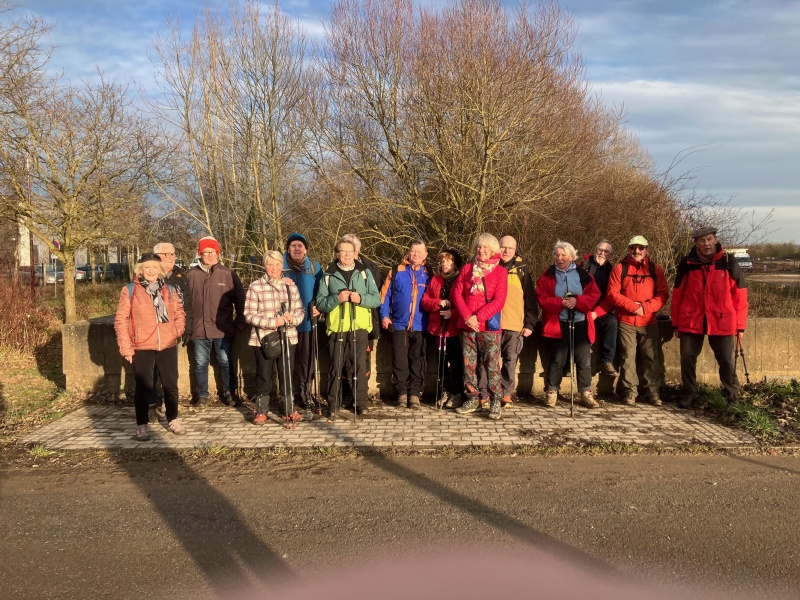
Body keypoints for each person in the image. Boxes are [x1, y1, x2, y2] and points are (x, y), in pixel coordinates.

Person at [671, 226, 748, 408]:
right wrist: (676, 324)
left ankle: (732, 394)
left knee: (726, 360)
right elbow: (677, 295)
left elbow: (740, 295)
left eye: (709, 239)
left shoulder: (729, 262)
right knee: (687, 358)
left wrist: (740, 326)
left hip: (723, 319)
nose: (706, 244)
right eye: (702, 240)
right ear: (696, 243)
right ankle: (689, 392)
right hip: (691, 319)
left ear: (715, 240)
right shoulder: (687, 263)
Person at [114, 253, 186, 441]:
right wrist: (126, 347)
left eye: (155, 267)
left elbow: (179, 312)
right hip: (142, 345)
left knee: (171, 385)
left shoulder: (170, 289)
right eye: (147, 267)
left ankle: (173, 418)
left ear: (160, 270)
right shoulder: (130, 290)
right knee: (144, 387)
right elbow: (121, 320)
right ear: (140, 270)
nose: (151, 271)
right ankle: (142, 424)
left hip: (167, 344)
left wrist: (177, 330)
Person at [316, 237, 382, 419]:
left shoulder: (365, 273)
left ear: (355, 253)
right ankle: (334, 403)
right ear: (337, 254)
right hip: (337, 327)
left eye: (349, 251)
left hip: (359, 327)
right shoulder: (328, 274)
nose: (346, 254)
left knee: (359, 366)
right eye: (342, 251)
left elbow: (376, 299)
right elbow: (321, 303)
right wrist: (337, 299)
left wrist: (360, 299)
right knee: (335, 367)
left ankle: (361, 403)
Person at [536, 241, 601, 409]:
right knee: (557, 359)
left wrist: (577, 301)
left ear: (572, 256)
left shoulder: (583, 274)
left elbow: (594, 294)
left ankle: (586, 393)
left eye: (563, 255)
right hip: (558, 323)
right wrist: (560, 303)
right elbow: (541, 297)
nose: (559, 258)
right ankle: (551, 392)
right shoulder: (548, 275)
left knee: (583, 360)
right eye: (557, 255)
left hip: (580, 322)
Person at [605, 235, 669, 406]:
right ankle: (630, 392)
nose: (637, 251)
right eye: (633, 248)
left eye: (641, 248)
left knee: (651, 357)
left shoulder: (656, 270)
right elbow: (612, 294)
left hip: (649, 322)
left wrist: (645, 307)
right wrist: (633, 306)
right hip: (626, 321)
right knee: (627, 358)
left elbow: (663, 294)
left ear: (647, 250)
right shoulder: (620, 268)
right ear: (628, 249)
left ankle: (653, 392)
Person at [451, 233, 508, 420]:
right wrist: (468, 317)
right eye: (478, 247)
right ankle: (473, 398)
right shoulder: (467, 269)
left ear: (492, 250)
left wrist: (478, 317)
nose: (481, 250)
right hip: (468, 326)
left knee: (491, 366)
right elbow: (457, 294)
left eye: (484, 247)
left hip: (489, 327)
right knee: (469, 365)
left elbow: (499, 301)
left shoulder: (500, 272)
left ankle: (495, 401)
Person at [185, 236, 246, 409]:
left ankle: (229, 392)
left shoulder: (227, 274)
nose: (210, 255)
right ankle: (202, 395)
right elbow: (184, 303)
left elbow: (240, 299)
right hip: (198, 330)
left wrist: (240, 319)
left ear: (218, 253)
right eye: (206, 252)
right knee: (200, 363)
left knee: (225, 362)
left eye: (213, 252)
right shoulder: (191, 275)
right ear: (200, 254)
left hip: (223, 328)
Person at [245, 251, 305, 424]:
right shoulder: (255, 286)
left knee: (287, 373)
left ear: (282, 266)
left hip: (288, 337)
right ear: (264, 266)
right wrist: (273, 321)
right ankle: (261, 409)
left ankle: (288, 408)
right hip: (263, 338)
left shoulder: (290, 286)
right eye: (270, 264)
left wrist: (293, 319)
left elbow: (300, 311)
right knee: (264, 375)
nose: (274, 268)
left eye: (277, 264)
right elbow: (249, 315)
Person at [477, 236, 537, 407]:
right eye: (503, 247)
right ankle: (484, 392)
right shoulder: (488, 266)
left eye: (510, 248)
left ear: (515, 249)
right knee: (487, 359)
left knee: (510, 359)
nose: (506, 251)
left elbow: (530, 299)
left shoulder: (521, 269)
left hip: (513, 323)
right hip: (490, 323)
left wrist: (529, 324)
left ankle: (506, 393)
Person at [380, 240, 432, 409]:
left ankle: (415, 393)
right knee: (400, 360)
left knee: (418, 360)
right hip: (399, 324)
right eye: (413, 251)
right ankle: (402, 393)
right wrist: (384, 316)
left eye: (419, 252)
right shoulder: (396, 271)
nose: (415, 254)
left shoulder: (429, 273)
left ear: (425, 255)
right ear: (408, 252)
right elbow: (384, 296)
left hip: (421, 325)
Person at [148, 241, 192, 421]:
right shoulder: (148, 275)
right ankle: (150, 406)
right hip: (149, 334)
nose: (173, 258)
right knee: (150, 372)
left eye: (174, 254)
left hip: (170, 333)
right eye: (169, 255)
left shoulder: (180, 276)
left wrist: (186, 327)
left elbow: (187, 303)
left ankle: (169, 405)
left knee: (169, 373)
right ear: (158, 256)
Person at [282, 233, 323, 413]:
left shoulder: (314, 267)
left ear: (306, 249)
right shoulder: (279, 266)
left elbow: (322, 291)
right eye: (293, 246)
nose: (297, 249)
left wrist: (320, 308)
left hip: (307, 322)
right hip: (285, 324)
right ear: (288, 249)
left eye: (300, 246)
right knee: (287, 361)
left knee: (307, 361)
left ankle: (306, 394)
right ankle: (288, 395)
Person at [420, 248, 464, 409]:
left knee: (456, 362)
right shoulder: (435, 279)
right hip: (437, 329)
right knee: (441, 362)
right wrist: (437, 303)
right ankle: (444, 390)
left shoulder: (460, 279)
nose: (445, 264)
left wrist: (452, 313)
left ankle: (457, 392)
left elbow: (465, 304)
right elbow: (425, 301)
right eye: (443, 261)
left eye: (449, 261)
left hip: (454, 329)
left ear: (455, 264)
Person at [581, 239, 618, 376]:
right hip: (581, 307)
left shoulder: (612, 272)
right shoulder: (582, 265)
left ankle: (607, 361)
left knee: (612, 322)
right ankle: (569, 362)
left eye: (606, 251)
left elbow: (611, 298)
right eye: (600, 250)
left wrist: (596, 313)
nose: (602, 253)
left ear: (610, 255)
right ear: (595, 250)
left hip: (600, 310)